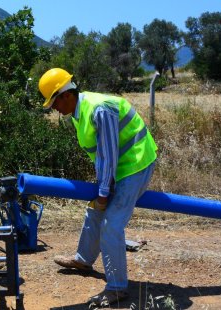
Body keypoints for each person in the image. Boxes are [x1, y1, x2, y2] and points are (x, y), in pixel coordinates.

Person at [38, 68, 158, 308]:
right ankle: (83, 260)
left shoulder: (99, 109)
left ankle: (116, 288)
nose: (53, 108)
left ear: (65, 95)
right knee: (95, 209)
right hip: (119, 167)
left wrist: (104, 192)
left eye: (53, 102)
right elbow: (101, 156)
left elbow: (109, 154)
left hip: (135, 164)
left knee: (111, 224)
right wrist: (101, 191)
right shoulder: (78, 113)